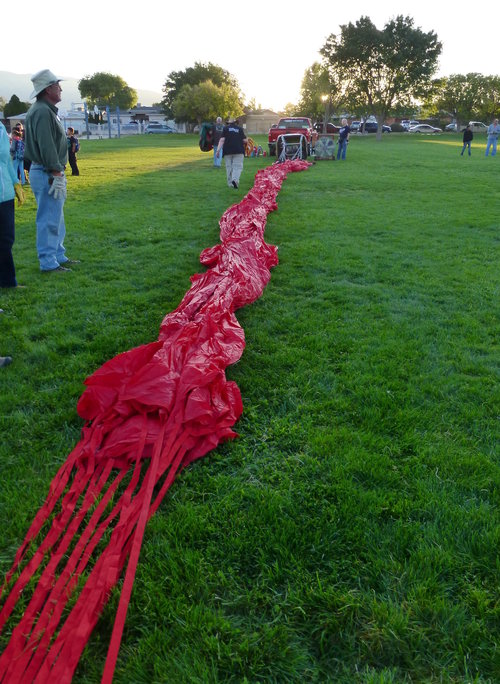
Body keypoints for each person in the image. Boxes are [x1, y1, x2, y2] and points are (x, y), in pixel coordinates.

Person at [24, 69, 79, 273]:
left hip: (49, 171)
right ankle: (48, 262)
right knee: (48, 217)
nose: (61, 89)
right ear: (48, 89)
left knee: (55, 216)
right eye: (57, 85)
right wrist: (56, 171)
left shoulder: (44, 109)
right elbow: (46, 145)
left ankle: (57, 255)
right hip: (47, 171)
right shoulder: (41, 111)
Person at [0, 121, 25, 288]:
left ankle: (8, 281)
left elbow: (6, 161)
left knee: (6, 239)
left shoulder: (1, 129)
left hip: (5, 194)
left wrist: (16, 183)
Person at [216, 118, 247, 189]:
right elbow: (244, 140)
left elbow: (222, 140)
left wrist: (218, 151)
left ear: (229, 123)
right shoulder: (240, 129)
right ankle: (235, 180)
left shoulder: (225, 129)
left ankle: (230, 184)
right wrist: (246, 140)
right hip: (238, 151)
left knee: (229, 167)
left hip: (227, 151)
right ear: (236, 122)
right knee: (237, 167)